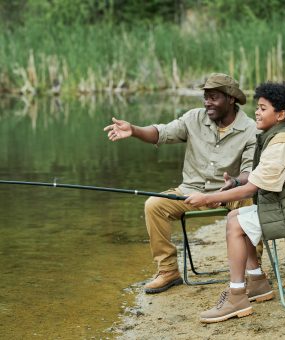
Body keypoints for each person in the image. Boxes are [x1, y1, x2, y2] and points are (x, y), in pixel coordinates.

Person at [104, 73, 257, 294]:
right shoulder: (194, 118)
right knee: (154, 205)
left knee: (251, 203)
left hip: (229, 194)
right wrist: (134, 130)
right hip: (191, 193)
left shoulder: (251, 129)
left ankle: (253, 271)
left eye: (213, 97)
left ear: (231, 99)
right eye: (205, 97)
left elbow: (248, 173)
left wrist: (234, 182)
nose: (207, 103)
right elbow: (161, 133)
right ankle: (168, 271)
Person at [185, 81, 285, 323]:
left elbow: (251, 188)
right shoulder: (276, 137)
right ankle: (257, 281)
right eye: (257, 107)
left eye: (263, 108)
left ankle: (237, 294)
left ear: (280, 115)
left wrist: (207, 197)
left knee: (236, 224)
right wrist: (231, 186)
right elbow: (252, 184)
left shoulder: (279, 144)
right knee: (236, 216)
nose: (257, 112)